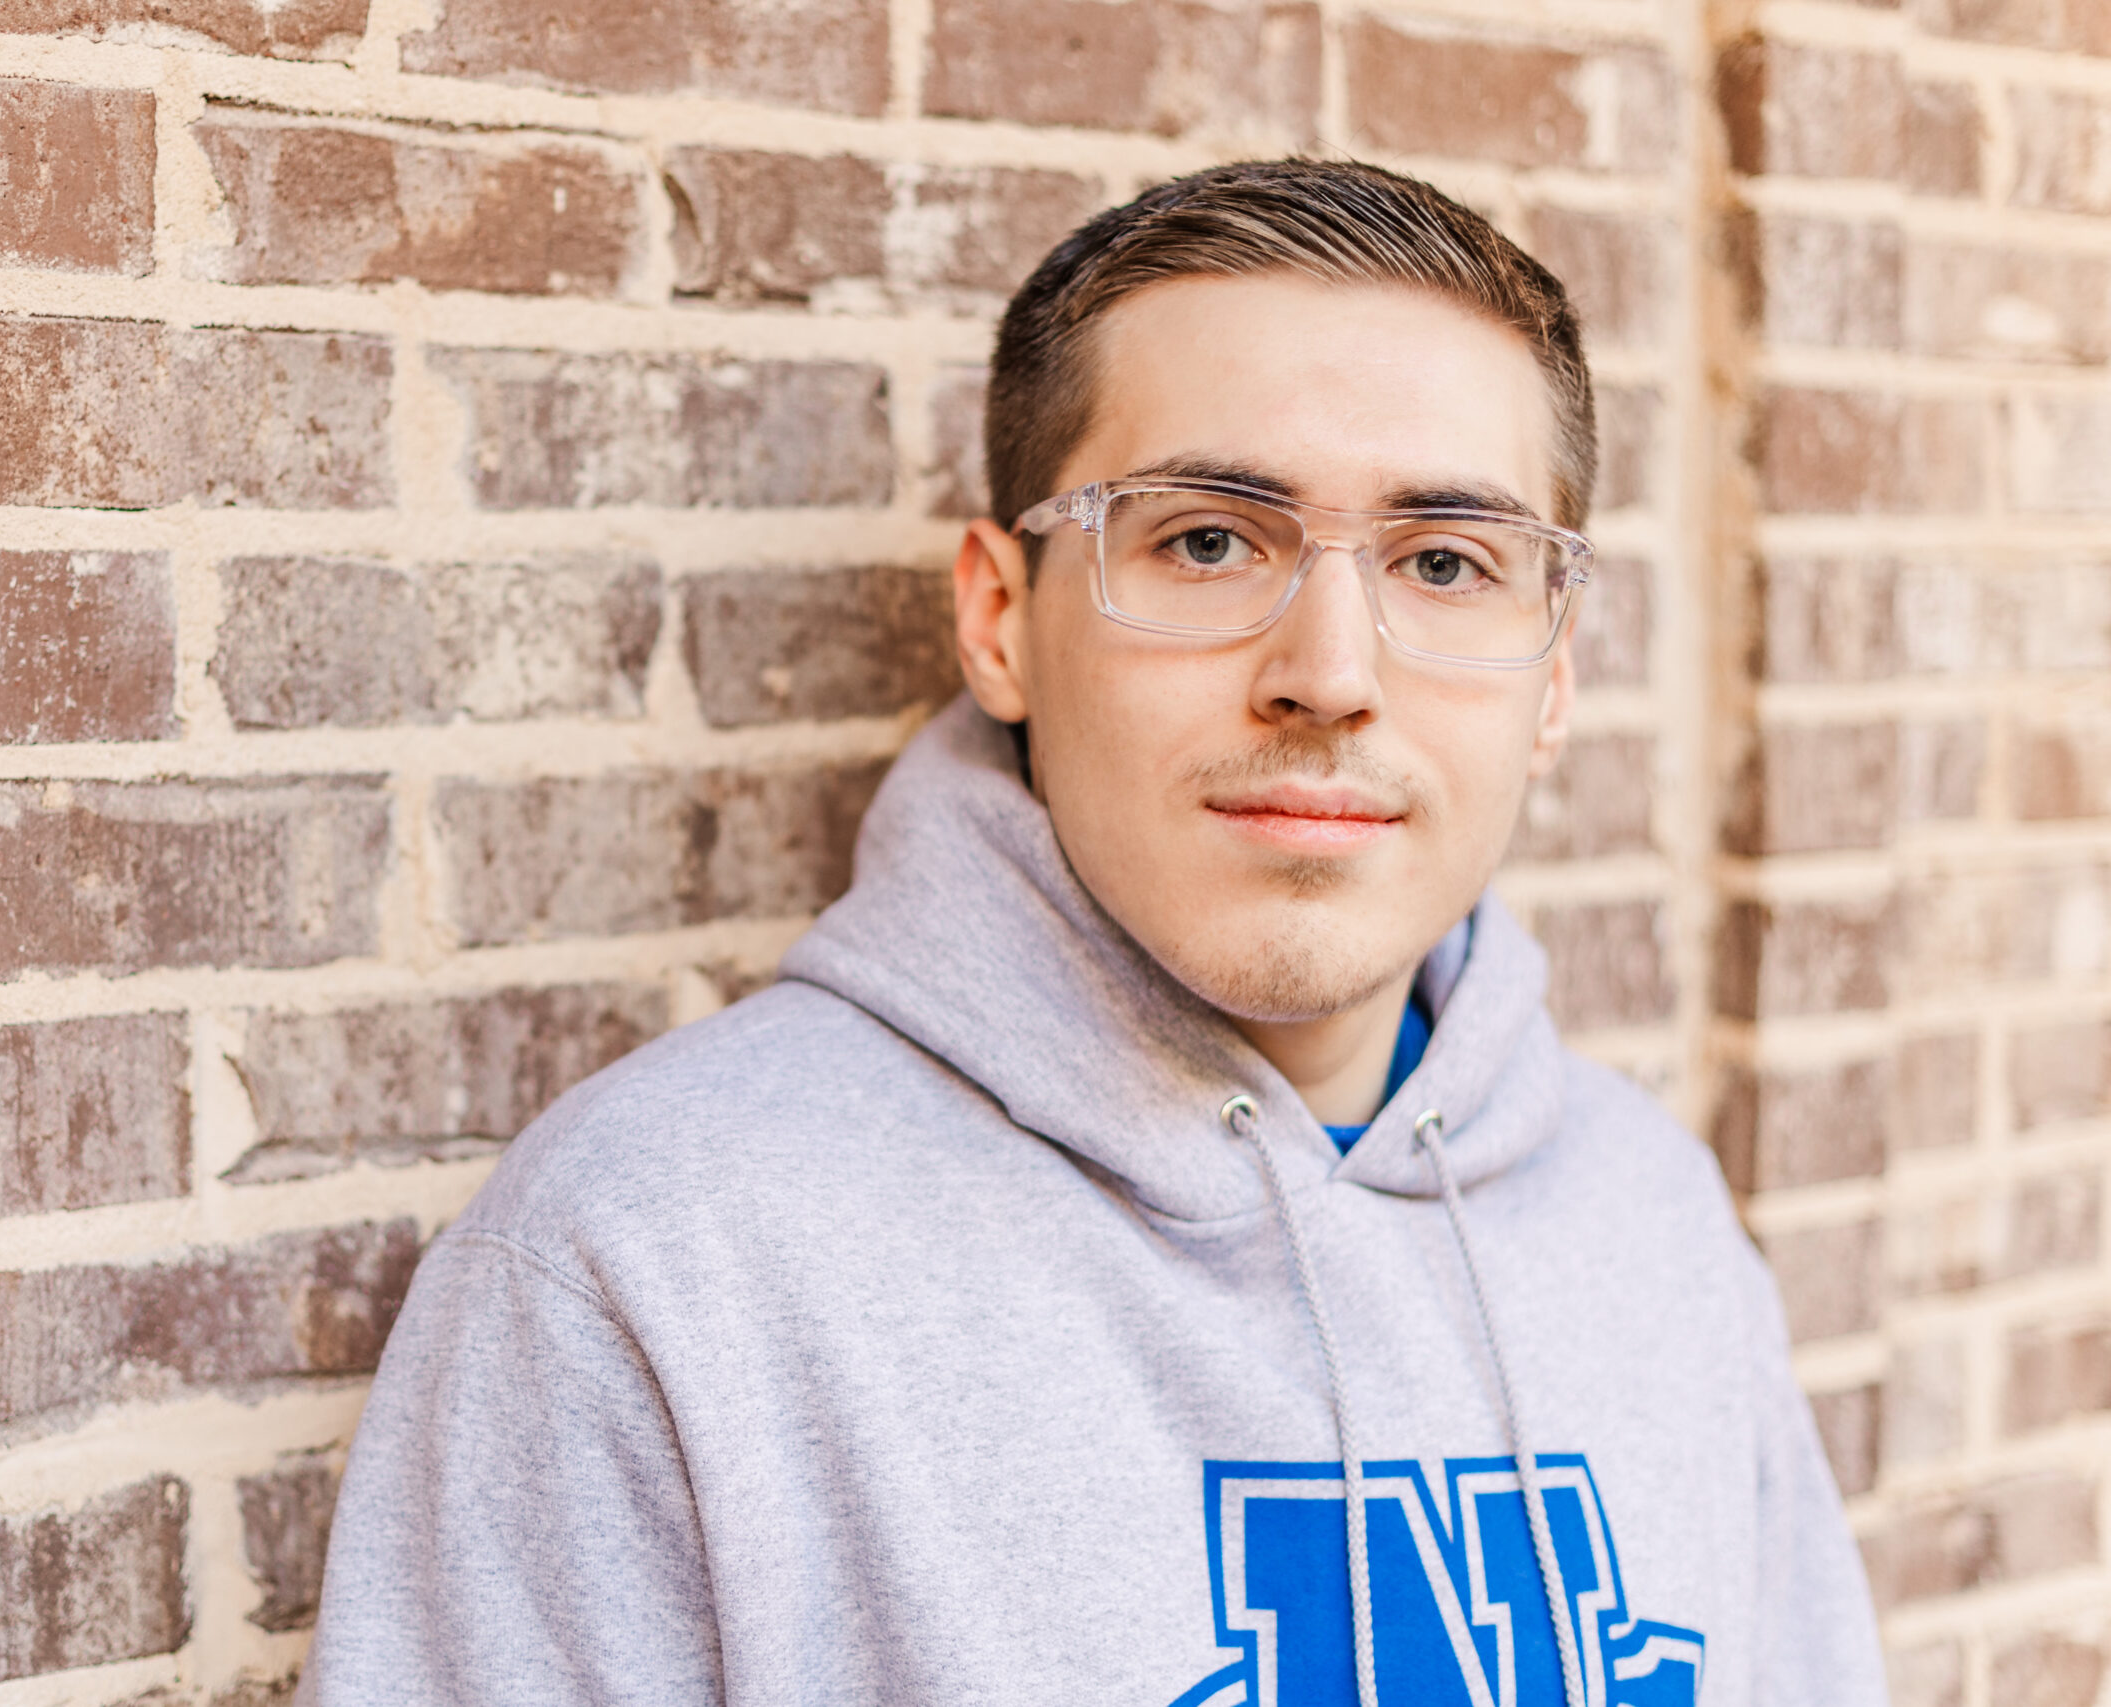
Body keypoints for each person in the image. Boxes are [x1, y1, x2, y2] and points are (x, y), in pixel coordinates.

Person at [298, 159, 1885, 1707]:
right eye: (1207, 540)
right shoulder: (654, 1260)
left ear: (1553, 681)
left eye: (1447, 562)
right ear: (1001, 619)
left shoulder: (1653, 1223)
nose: (1329, 672)